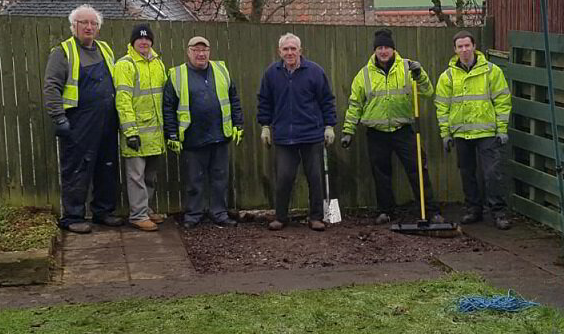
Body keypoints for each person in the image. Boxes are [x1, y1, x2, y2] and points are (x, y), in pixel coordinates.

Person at [340, 29, 444, 225]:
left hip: (403, 129)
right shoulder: (364, 74)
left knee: (417, 170)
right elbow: (355, 104)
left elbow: (428, 92)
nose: (383, 51)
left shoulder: (409, 68)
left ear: (393, 49)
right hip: (376, 132)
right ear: (374, 51)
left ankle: (431, 211)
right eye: (380, 47)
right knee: (381, 174)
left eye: (387, 47)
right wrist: (348, 130)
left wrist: (420, 74)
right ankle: (386, 211)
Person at [43, 5, 123, 234]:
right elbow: (51, 86)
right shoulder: (63, 52)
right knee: (77, 168)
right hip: (79, 121)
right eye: (83, 23)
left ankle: (103, 211)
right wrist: (58, 118)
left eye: (93, 23)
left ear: (98, 28)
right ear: (73, 26)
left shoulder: (105, 49)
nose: (89, 27)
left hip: (107, 119)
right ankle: (73, 216)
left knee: (107, 167)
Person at [257, 33, 337, 232]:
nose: (290, 52)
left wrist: (329, 126)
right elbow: (264, 101)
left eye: (293, 48)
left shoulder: (315, 72)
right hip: (285, 136)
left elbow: (327, 100)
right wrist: (265, 126)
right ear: (280, 52)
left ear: (300, 50)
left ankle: (316, 217)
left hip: (312, 134)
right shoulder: (271, 73)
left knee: (315, 178)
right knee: (284, 178)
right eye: (286, 49)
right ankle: (281, 217)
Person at [162, 36, 244, 229]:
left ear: (209, 52)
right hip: (192, 136)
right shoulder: (177, 75)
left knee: (220, 178)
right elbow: (168, 107)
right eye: (196, 50)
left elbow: (234, 99)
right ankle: (193, 214)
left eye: (204, 50)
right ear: (188, 52)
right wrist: (172, 134)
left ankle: (219, 213)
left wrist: (238, 124)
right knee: (194, 179)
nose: (201, 54)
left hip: (220, 134)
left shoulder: (221, 70)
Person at [435, 30, 514, 230]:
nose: (464, 50)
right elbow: (442, 107)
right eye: (460, 47)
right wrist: (446, 133)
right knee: (467, 173)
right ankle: (473, 209)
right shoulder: (448, 77)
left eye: (467, 45)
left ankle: (498, 212)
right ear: (455, 50)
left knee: (492, 174)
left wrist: (502, 129)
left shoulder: (492, 71)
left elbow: (502, 101)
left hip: (487, 132)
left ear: (474, 46)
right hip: (461, 133)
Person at [115, 24, 168, 232]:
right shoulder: (125, 65)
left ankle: (145, 209)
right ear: (133, 42)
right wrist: (130, 132)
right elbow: (123, 99)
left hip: (155, 132)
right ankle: (137, 215)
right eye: (140, 40)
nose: (144, 42)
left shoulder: (157, 64)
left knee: (149, 176)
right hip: (136, 132)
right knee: (136, 176)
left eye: (147, 40)